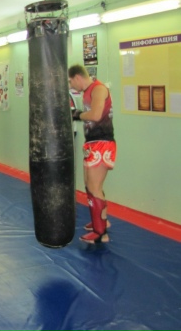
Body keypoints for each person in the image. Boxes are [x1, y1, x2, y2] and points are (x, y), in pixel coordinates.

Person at [69, 64, 115, 244]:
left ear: (77, 77)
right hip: (93, 143)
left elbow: (95, 115)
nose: (71, 86)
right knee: (91, 186)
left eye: (71, 82)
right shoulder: (87, 92)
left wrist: (77, 114)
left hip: (102, 143)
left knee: (94, 187)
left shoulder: (98, 89)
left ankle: (100, 233)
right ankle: (101, 221)